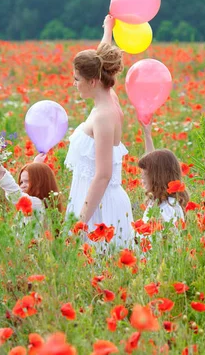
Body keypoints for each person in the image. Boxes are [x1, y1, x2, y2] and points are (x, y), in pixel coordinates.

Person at [64, 15, 133, 250]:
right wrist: (108, 30)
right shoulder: (108, 95)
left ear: (93, 82)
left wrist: (80, 223)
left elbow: (103, 175)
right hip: (93, 199)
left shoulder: (104, 116)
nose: (74, 84)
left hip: (100, 208)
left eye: (77, 79)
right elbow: (101, 59)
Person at [0, 153, 62, 237]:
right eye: (21, 182)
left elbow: (16, 195)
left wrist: (1, 173)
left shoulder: (38, 204)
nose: (22, 185)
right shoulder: (43, 204)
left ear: (41, 182)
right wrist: (36, 165)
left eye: (28, 181)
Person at [137, 118, 188, 227]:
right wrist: (147, 135)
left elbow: (164, 241)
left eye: (145, 174)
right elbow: (153, 164)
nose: (142, 178)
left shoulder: (168, 209)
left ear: (157, 177)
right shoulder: (159, 200)